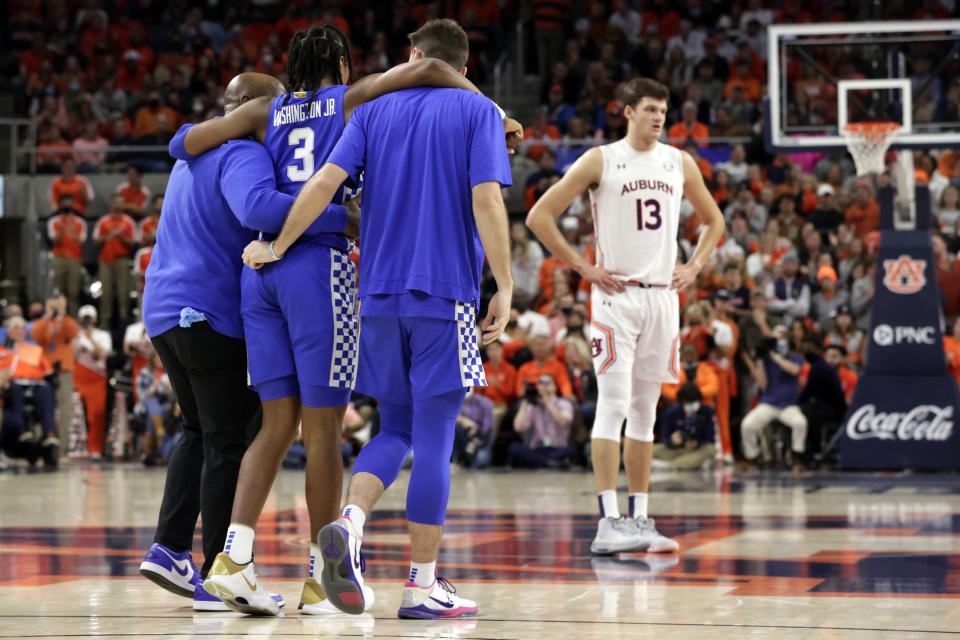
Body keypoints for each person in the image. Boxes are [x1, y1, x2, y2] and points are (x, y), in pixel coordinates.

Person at [169, 25, 488, 617]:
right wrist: (492, 108)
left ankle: (231, 562)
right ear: (342, 63)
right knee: (322, 432)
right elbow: (427, 71)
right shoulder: (350, 99)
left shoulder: (266, 108)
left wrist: (196, 134)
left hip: (259, 270)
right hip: (318, 270)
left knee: (273, 425)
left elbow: (183, 144)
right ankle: (322, 577)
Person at [525, 77, 724, 554]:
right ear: (628, 111)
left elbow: (714, 221)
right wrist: (582, 267)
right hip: (616, 297)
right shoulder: (602, 158)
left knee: (645, 412)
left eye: (664, 110)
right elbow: (538, 215)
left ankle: (639, 520)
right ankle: (607, 521)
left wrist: (694, 266)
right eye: (651, 109)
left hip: (662, 299)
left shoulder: (680, 162)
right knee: (612, 406)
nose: (659, 117)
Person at [137, 73, 293, 614]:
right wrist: (340, 215)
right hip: (208, 313)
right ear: (253, 109)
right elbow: (260, 211)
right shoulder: (242, 152)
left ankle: (170, 547)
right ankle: (216, 574)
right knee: (229, 439)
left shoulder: (189, 159)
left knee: (197, 429)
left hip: (163, 312)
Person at [741, 325, 807, 468]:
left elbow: (794, 370)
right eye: (776, 338)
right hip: (769, 403)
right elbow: (763, 385)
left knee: (800, 423)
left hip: (788, 405)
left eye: (782, 337)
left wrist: (776, 357)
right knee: (748, 425)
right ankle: (753, 456)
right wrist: (759, 360)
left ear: (788, 340)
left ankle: (797, 457)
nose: (779, 341)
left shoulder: (795, 358)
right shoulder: (767, 360)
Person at [30, 294, 78, 440]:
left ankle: (62, 448)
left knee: (65, 409)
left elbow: (73, 333)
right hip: (44, 371)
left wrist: (62, 314)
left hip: (64, 370)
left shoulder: (66, 321)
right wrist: (49, 316)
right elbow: (35, 336)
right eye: (53, 304)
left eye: (59, 304)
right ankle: (40, 443)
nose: (56, 307)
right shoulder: (42, 322)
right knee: (42, 405)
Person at [508, 373, 575, 468]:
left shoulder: (563, 404)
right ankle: (550, 463)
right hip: (537, 449)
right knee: (514, 448)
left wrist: (548, 403)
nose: (544, 386)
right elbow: (518, 428)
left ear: (555, 387)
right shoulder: (532, 406)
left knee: (570, 450)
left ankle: (540, 463)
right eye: (541, 383)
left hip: (557, 448)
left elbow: (564, 422)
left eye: (547, 382)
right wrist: (525, 401)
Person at [72, 305, 112, 460]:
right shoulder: (74, 334)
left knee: (96, 414)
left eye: (90, 319)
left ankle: (95, 449)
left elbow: (104, 354)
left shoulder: (103, 335)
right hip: (78, 377)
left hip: (97, 380)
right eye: (84, 319)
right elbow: (72, 355)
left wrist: (90, 337)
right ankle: (74, 448)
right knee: (74, 413)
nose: (87, 322)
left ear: (95, 319)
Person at [94, 193, 137, 328]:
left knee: (123, 292)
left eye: (121, 202)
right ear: (111, 204)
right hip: (106, 260)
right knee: (105, 292)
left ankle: (124, 323)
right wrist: (108, 236)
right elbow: (96, 240)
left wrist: (120, 235)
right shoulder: (103, 221)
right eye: (116, 202)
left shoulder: (129, 222)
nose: (118, 205)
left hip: (122, 260)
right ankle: (105, 322)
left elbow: (133, 243)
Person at [653, 383, 717, 471]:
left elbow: (710, 439)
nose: (691, 405)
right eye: (688, 402)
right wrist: (672, 440)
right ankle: (690, 464)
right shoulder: (671, 413)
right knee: (652, 450)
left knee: (711, 449)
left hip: (697, 450)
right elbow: (663, 438)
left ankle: (672, 465)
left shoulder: (706, 412)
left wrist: (697, 443)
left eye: (694, 401)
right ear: (682, 402)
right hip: (677, 450)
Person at [46, 196, 88, 315]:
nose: (68, 207)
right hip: (58, 258)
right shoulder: (53, 220)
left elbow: (81, 242)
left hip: (74, 258)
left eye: (70, 204)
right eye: (65, 204)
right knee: (58, 291)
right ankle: (59, 317)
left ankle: (74, 318)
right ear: (61, 205)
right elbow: (53, 240)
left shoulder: (80, 222)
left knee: (73, 292)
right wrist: (61, 230)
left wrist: (73, 231)